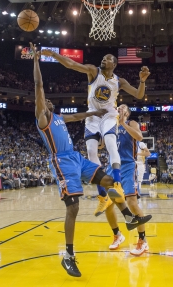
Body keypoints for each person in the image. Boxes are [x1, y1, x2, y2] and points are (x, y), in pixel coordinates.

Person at [30, 42, 122, 278]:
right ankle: (69, 256)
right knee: (74, 207)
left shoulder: (59, 117)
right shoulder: (44, 117)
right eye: (45, 100)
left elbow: (80, 115)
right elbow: (39, 85)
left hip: (76, 158)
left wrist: (95, 113)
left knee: (108, 180)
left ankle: (127, 216)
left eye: (49, 101)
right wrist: (37, 60)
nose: (48, 101)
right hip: (61, 162)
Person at [41, 48, 151, 215]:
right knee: (92, 152)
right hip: (92, 116)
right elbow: (71, 64)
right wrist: (54, 55)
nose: (104, 60)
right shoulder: (94, 71)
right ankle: (102, 197)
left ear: (114, 64)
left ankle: (118, 185)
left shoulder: (119, 81)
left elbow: (138, 94)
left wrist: (142, 81)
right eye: (103, 58)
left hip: (108, 115)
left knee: (110, 144)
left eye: (107, 59)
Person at [105, 104, 152, 256]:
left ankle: (143, 241)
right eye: (119, 107)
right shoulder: (111, 125)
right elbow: (101, 146)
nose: (120, 108)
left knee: (132, 202)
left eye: (123, 107)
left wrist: (123, 122)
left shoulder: (131, 123)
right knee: (108, 204)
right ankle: (117, 235)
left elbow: (139, 137)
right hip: (112, 166)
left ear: (127, 112)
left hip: (127, 166)